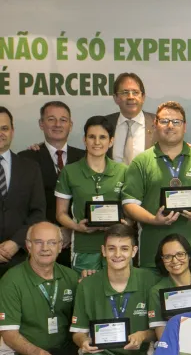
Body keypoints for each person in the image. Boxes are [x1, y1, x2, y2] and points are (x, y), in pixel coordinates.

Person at [70, 224, 158, 355]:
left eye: (124, 248)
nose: (117, 254)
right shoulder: (88, 285)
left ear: (134, 251)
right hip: (102, 354)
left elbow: (158, 329)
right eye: (111, 248)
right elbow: (78, 332)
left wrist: (142, 336)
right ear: (103, 251)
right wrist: (83, 342)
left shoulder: (149, 280)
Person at [122, 101, 191, 272]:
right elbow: (129, 204)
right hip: (152, 256)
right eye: (164, 121)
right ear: (155, 125)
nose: (170, 126)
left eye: (176, 122)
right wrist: (153, 220)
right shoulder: (141, 161)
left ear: (185, 126)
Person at [0, 222, 85, 355]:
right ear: (28, 245)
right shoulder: (11, 281)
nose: (45, 248)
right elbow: (9, 334)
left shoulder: (70, 277)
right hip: (19, 351)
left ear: (60, 245)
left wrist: (91, 282)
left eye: (51, 242)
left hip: (58, 346)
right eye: (38, 242)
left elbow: (83, 318)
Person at [54, 115, 127, 272]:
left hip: (118, 249)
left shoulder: (123, 171)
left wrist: (126, 223)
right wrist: (77, 227)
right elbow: (60, 214)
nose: (97, 142)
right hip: (84, 248)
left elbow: (130, 210)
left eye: (102, 137)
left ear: (111, 141)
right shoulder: (70, 171)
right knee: (86, 293)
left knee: (118, 293)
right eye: (92, 137)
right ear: (84, 140)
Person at [19, 101, 85, 266]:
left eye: (63, 120)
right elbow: (23, 205)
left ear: (70, 124)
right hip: (40, 246)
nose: (57, 124)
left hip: (79, 243)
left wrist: (72, 229)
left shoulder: (86, 158)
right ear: (41, 124)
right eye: (51, 119)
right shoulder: (26, 158)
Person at [0, 107, 46, 277]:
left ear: (12, 131)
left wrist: (15, 243)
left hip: (20, 259)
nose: (1, 133)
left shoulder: (30, 168)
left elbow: (37, 213)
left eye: (4, 128)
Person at [147, 234, 191, 340]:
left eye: (180, 254)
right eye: (167, 257)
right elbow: (162, 336)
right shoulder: (156, 291)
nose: (174, 261)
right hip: (174, 349)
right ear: (162, 260)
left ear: (189, 255)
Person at [105, 73, 155, 165]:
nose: (131, 97)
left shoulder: (157, 124)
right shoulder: (104, 124)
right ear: (116, 98)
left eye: (135, 92)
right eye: (125, 92)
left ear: (143, 97)